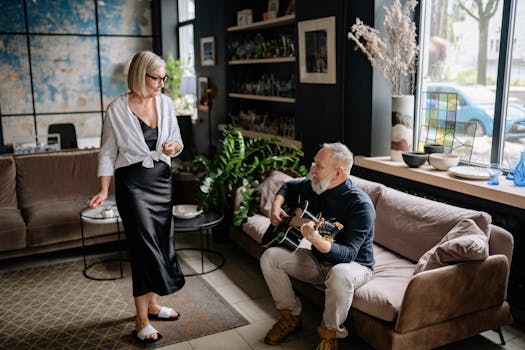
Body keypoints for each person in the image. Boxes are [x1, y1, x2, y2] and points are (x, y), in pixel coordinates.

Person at [89, 50, 185, 343]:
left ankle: (153, 305)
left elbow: (178, 141)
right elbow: (107, 152)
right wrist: (104, 189)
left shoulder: (166, 103)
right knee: (144, 249)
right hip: (132, 185)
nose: (161, 83)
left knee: (161, 243)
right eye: (155, 77)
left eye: (163, 78)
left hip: (161, 181)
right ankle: (140, 319)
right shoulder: (116, 108)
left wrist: (173, 148)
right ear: (139, 75)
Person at [260, 143, 375, 350]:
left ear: (338, 172)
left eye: (319, 166)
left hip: (355, 266)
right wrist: (275, 207)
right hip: (319, 261)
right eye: (314, 163)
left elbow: (348, 254)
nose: (312, 169)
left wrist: (316, 240)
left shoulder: (360, 205)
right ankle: (291, 317)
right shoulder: (316, 186)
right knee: (270, 257)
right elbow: (289, 186)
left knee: (340, 274)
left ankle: (330, 335)